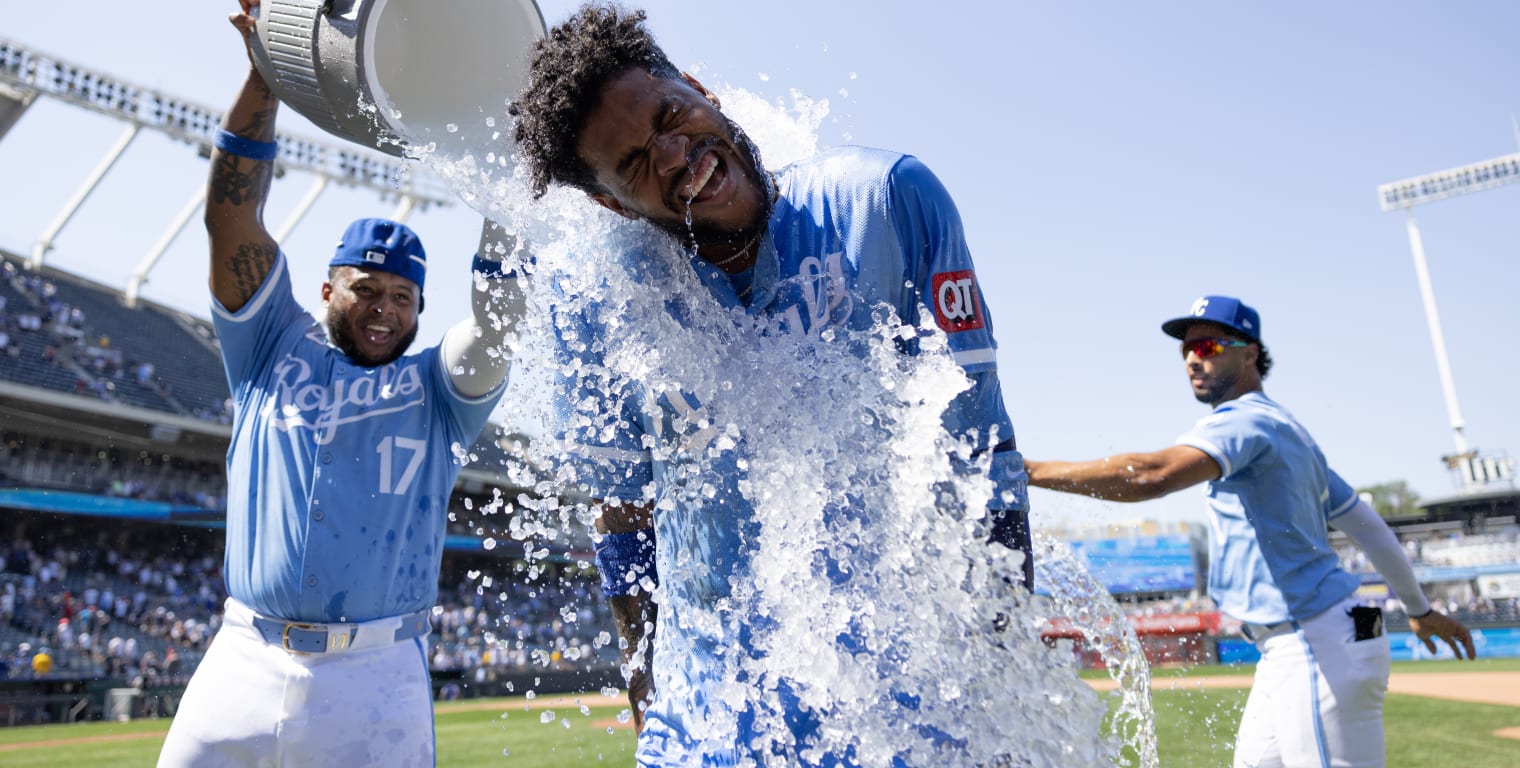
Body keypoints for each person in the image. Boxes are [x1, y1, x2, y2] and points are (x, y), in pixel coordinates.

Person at [508, 4, 1034, 764]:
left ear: (698, 87)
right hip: (714, 723)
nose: (677, 156)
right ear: (608, 203)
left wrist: (1006, 683)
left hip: (911, 707)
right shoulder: (598, 305)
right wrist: (653, 717)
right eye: (632, 164)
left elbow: (985, 456)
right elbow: (623, 523)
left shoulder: (883, 202)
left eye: (671, 115)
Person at [156, 2, 527, 765]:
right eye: (366, 289)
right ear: (328, 290)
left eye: (402, 297)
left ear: (421, 306)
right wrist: (265, 68)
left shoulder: (439, 388)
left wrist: (506, 178)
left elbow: (497, 327)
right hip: (241, 656)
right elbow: (232, 216)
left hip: (376, 672)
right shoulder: (267, 346)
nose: (385, 309)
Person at [1024, 295, 1477, 768]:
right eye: (1187, 350)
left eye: (1210, 346)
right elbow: (1368, 526)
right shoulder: (1289, 430)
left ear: (1250, 353)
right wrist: (1419, 609)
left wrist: (1032, 470)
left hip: (1314, 641)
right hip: (1304, 641)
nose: (1194, 358)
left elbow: (1152, 475)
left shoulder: (1247, 421)